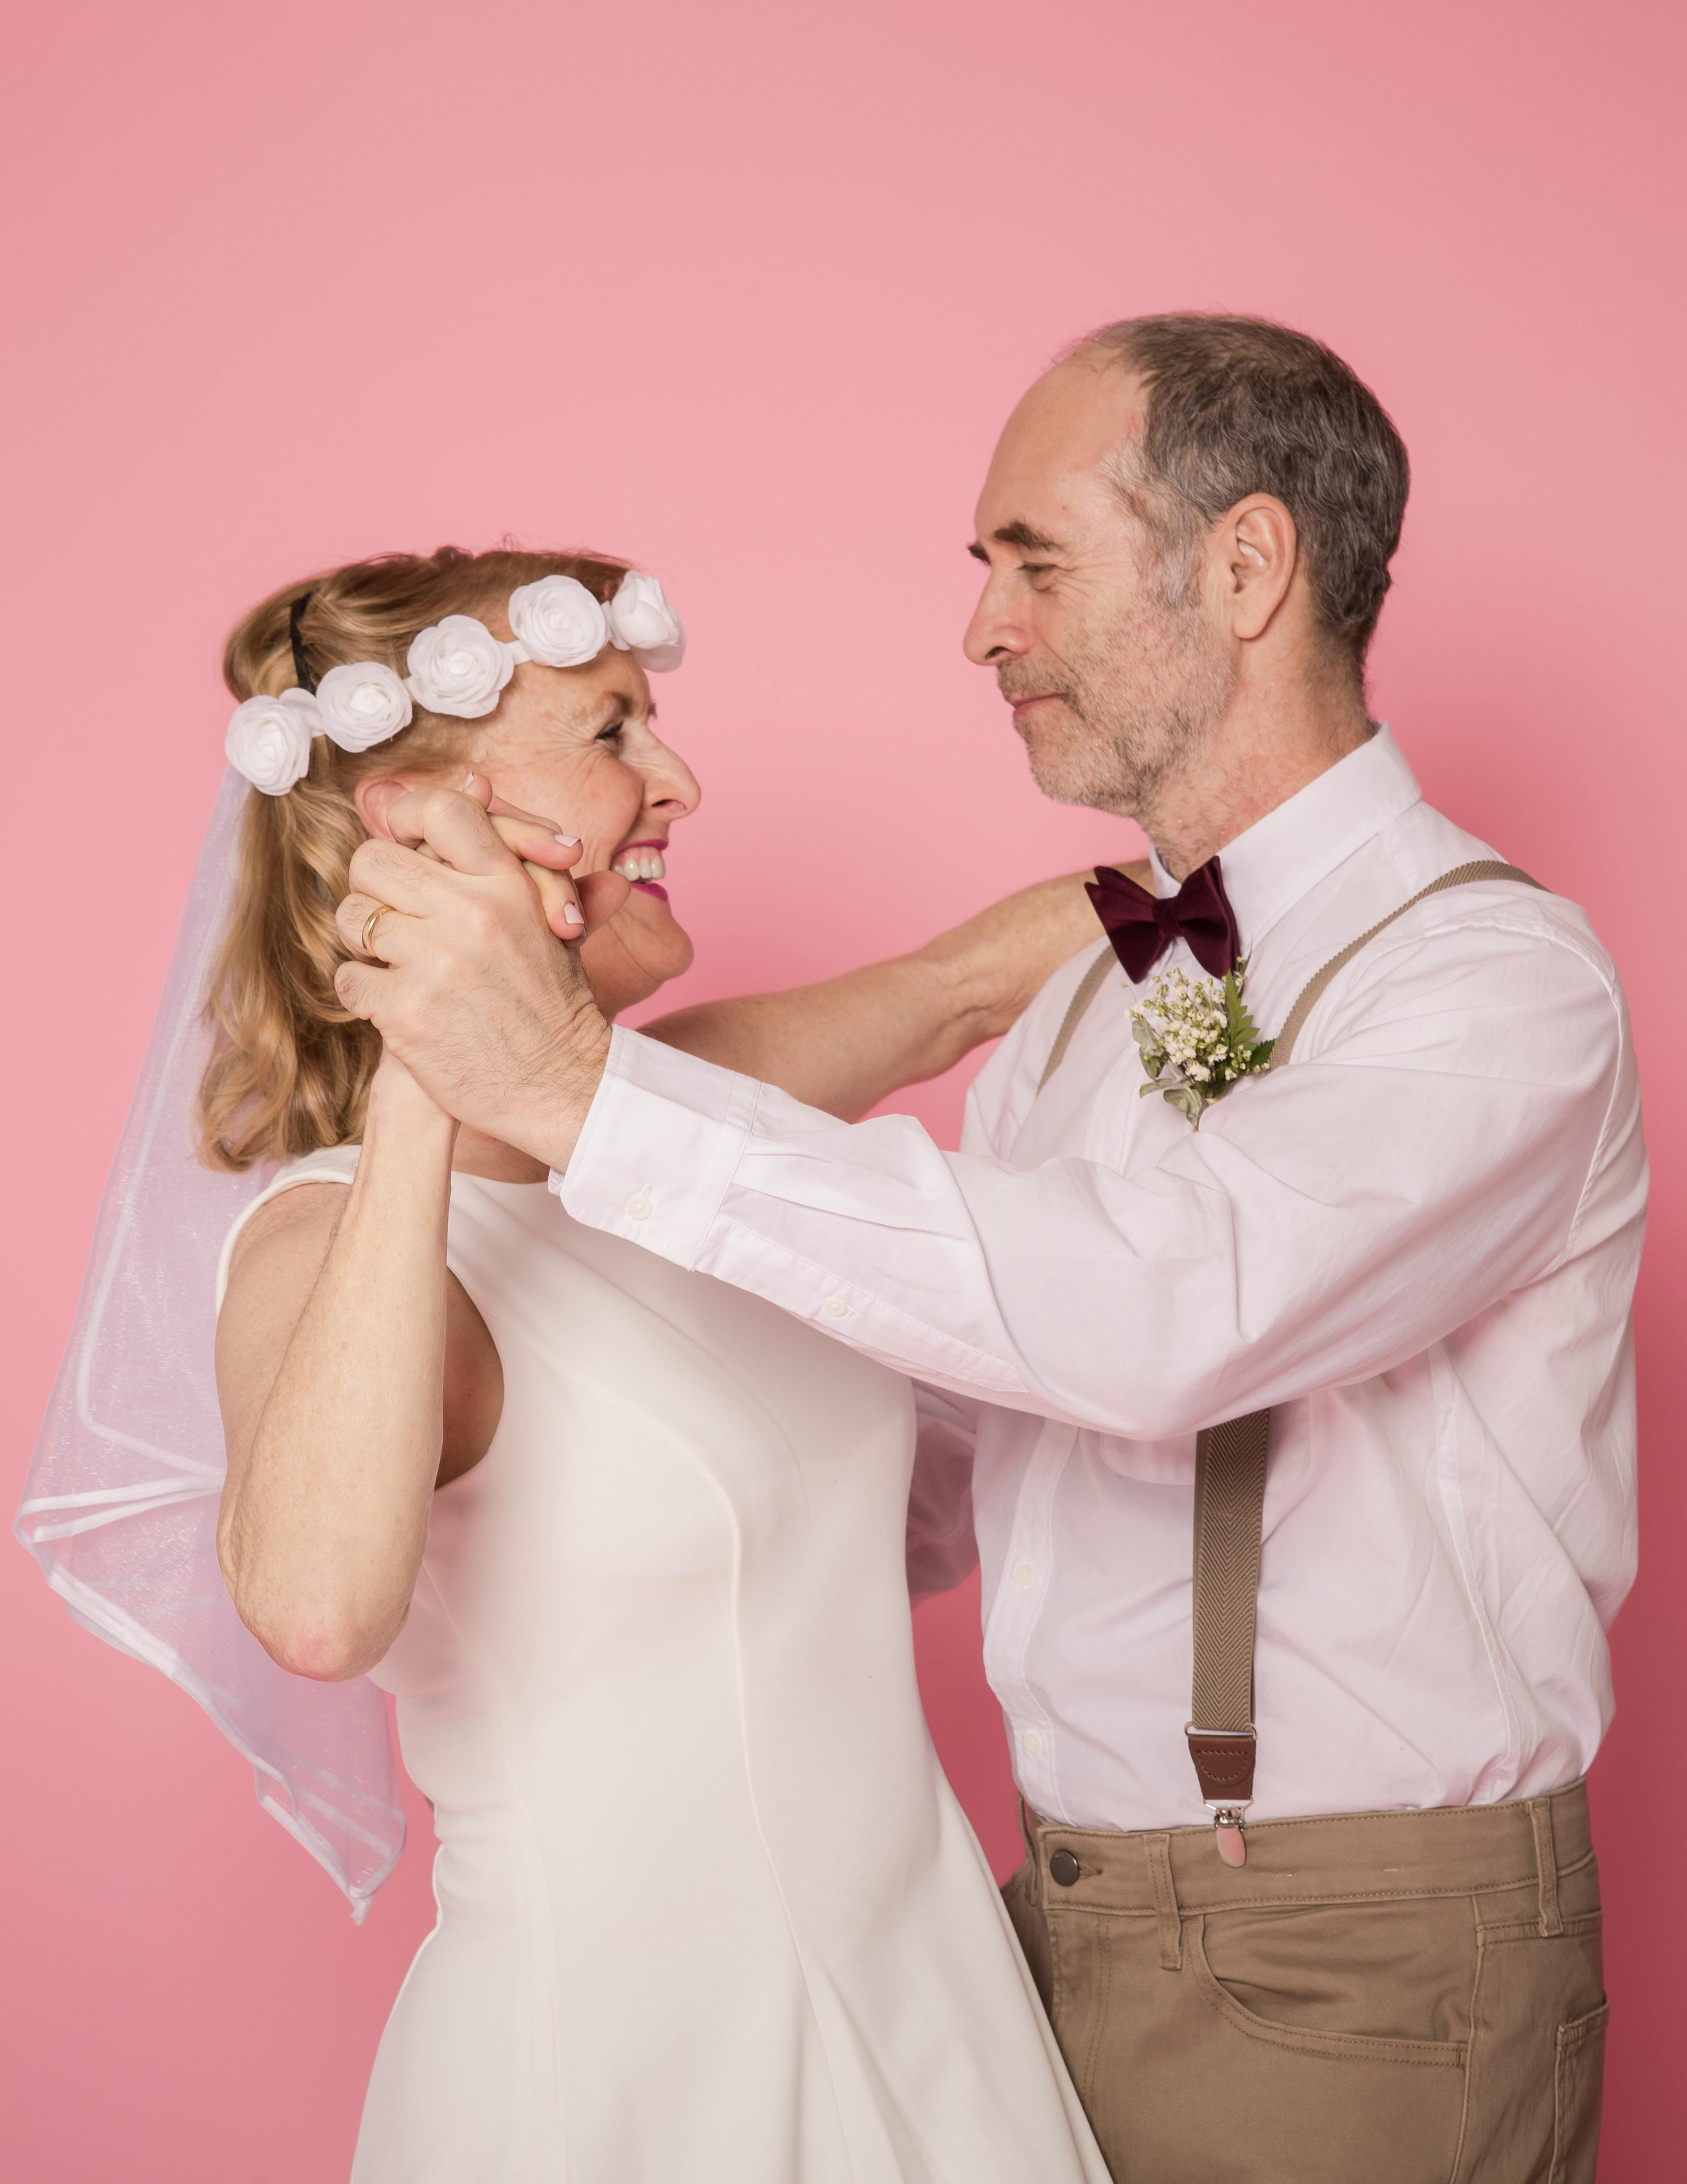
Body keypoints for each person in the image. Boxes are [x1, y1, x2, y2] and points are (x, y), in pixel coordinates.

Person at [337, 317, 1646, 2184]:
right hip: (1027, 1945)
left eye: (1034, 560)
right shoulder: (1089, 1003)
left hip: (1354, 1956)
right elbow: (971, 1450)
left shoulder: (1494, 985)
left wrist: (578, 1091)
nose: (981, 629)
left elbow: (1161, 1317)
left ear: (1248, 567)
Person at [181, 545, 1111, 2184]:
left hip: (931, 2013)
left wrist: (1288, 887)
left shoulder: (672, 1111)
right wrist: (424, 1057)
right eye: (613, 734)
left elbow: (966, 988)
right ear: (417, 822)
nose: (677, 779)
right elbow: (317, 1610)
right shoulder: (321, 1250)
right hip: (621, 2080)